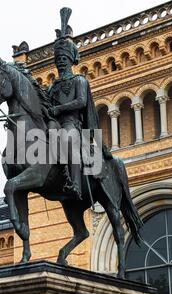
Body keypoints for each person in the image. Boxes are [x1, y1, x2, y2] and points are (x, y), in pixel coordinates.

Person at [46, 8, 102, 200]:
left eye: (64, 59)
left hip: (72, 124)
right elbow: (45, 104)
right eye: (58, 60)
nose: (60, 63)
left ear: (70, 61)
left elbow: (81, 101)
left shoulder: (79, 80)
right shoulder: (53, 86)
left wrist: (59, 108)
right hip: (56, 125)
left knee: (69, 138)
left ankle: (76, 185)